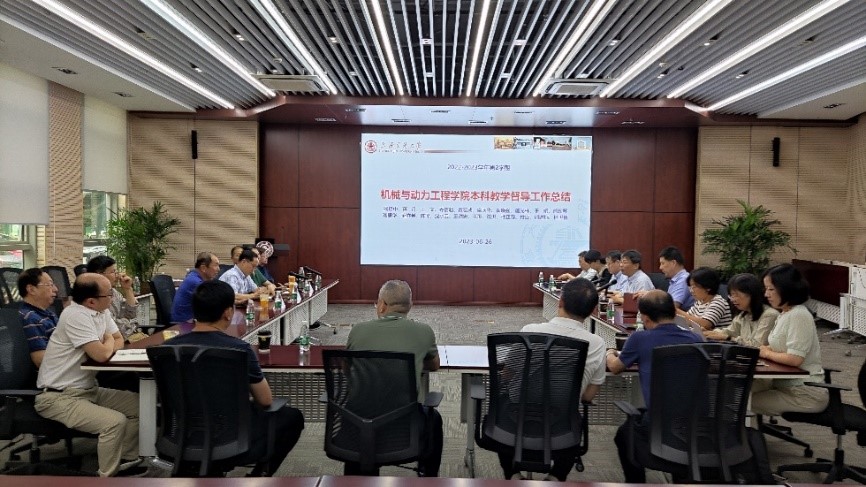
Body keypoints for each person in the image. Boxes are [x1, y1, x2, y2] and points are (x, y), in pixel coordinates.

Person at [168, 280, 304, 476]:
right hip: (230, 437)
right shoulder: (239, 349)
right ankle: (258, 477)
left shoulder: (168, 348)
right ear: (228, 312)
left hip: (182, 434)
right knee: (292, 417)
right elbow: (265, 400)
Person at [34, 273, 143, 477]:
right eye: (109, 294)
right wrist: (108, 341)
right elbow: (101, 355)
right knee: (114, 422)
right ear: (91, 301)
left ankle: (126, 460)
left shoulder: (101, 311)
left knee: (140, 405)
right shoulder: (75, 316)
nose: (113, 297)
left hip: (87, 390)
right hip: (58, 397)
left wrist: (107, 342)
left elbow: (119, 339)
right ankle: (107, 477)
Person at [505, 277, 605, 480]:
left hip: (517, 418)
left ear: (560, 301)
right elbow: (588, 396)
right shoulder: (596, 343)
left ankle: (513, 475)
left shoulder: (530, 331)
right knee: (575, 420)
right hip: (562, 424)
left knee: (501, 411)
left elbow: (507, 374)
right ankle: (556, 477)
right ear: (593, 311)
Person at [346, 280, 442, 477]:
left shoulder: (358, 330)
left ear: (382, 305)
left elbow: (348, 369)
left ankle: (358, 478)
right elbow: (434, 365)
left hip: (359, 423)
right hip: (403, 424)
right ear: (410, 306)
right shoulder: (424, 331)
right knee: (435, 419)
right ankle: (429, 478)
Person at [606, 290, 703, 483]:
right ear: (674, 313)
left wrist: (609, 352)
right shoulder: (696, 339)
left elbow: (615, 368)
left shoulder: (640, 338)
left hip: (659, 421)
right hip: (695, 421)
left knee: (624, 435)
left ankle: (636, 483)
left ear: (645, 318)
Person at [750, 264, 828, 416]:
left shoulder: (799, 315)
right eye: (766, 289)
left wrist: (766, 353)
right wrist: (763, 349)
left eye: (771, 289)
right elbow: (778, 346)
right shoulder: (785, 314)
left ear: (786, 288)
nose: (766, 294)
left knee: (741, 402)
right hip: (786, 386)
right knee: (738, 391)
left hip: (804, 392)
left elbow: (795, 359)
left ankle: (749, 431)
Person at [705, 273, 778, 346]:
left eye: (736, 295)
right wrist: (708, 332)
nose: (733, 300)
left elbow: (758, 345)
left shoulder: (769, 315)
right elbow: (729, 331)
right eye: (731, 295)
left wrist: (728, 338)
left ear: (751, 293)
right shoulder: (743, 315)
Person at [86, 256, 140, 341]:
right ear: (99, 275)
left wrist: (128, 289)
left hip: (126, 337)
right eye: (113, 272)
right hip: (113, 341)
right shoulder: (94, 298)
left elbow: (131, 314)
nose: (118, 276)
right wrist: (130, 323)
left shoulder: (114, 292)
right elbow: (116, 328)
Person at [17, 268, 59, 367]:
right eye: (49, 285)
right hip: (52, 373)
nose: (55, 289)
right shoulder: (30, 318)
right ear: (31, 289)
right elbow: (40, 360)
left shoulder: (48, 313)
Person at [635, 246, 693, 310]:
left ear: (673, 263)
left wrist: (650, 295)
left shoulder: (683, 280)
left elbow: (671, 307)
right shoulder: (675, 279)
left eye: (663, 263)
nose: (660, 267)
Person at [171, 252, 221, 323]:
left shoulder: (195, 277)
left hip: (191, 321)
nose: (218, 269)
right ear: (203, 268)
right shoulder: (195, 282)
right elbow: (216, 301)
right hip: (184, 325)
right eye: (216, 265)